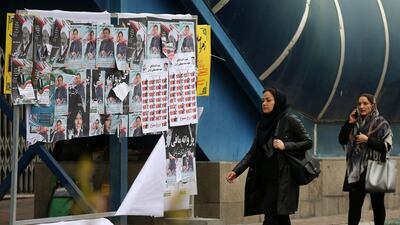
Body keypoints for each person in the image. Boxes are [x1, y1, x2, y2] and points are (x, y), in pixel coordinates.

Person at [225, 87, 312, 225]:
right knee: (281, 218)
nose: (264, 103)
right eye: (263, 101)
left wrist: (286, 146)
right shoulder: (262, 124)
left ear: (277, 102)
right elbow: (253, 153)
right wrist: (236, 171)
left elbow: (308, 142)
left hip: (282, 179)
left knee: (270, 217)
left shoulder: (289, 120)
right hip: (265, 178)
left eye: (268, 100)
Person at [338, 93, 392, 225]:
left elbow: (387, 146)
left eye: (365, 103)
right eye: (359, 103)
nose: (361, 106)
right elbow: (342, 139)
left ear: (372, 106)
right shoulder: (353, 123)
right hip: (355, 169)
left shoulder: (382, 123)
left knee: (378, 205)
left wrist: (367, 140)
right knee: (354, 207)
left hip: (376, 167)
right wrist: (349, 123)